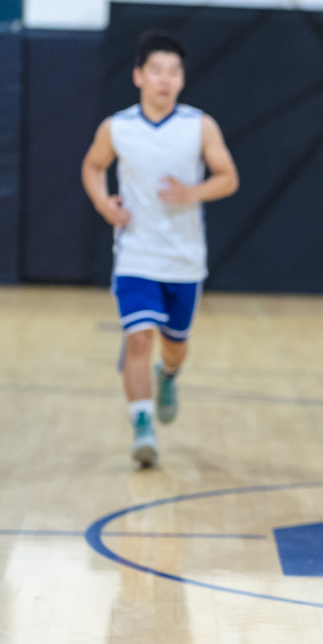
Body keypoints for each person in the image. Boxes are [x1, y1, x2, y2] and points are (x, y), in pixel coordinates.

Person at [81, 30, 239, 467]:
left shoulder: (199, 125)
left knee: (174, 346)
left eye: (173, 72)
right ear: (138, 76)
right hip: (136, 254)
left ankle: (168, 376)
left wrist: (193, 192)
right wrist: (101, 201)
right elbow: (93, 166)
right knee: (138, 338)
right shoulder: (117, 127)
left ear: (182, 80)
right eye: (156, 71)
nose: (164, 80)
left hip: (184, 258)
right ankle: (142, 426)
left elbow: (228, 177)